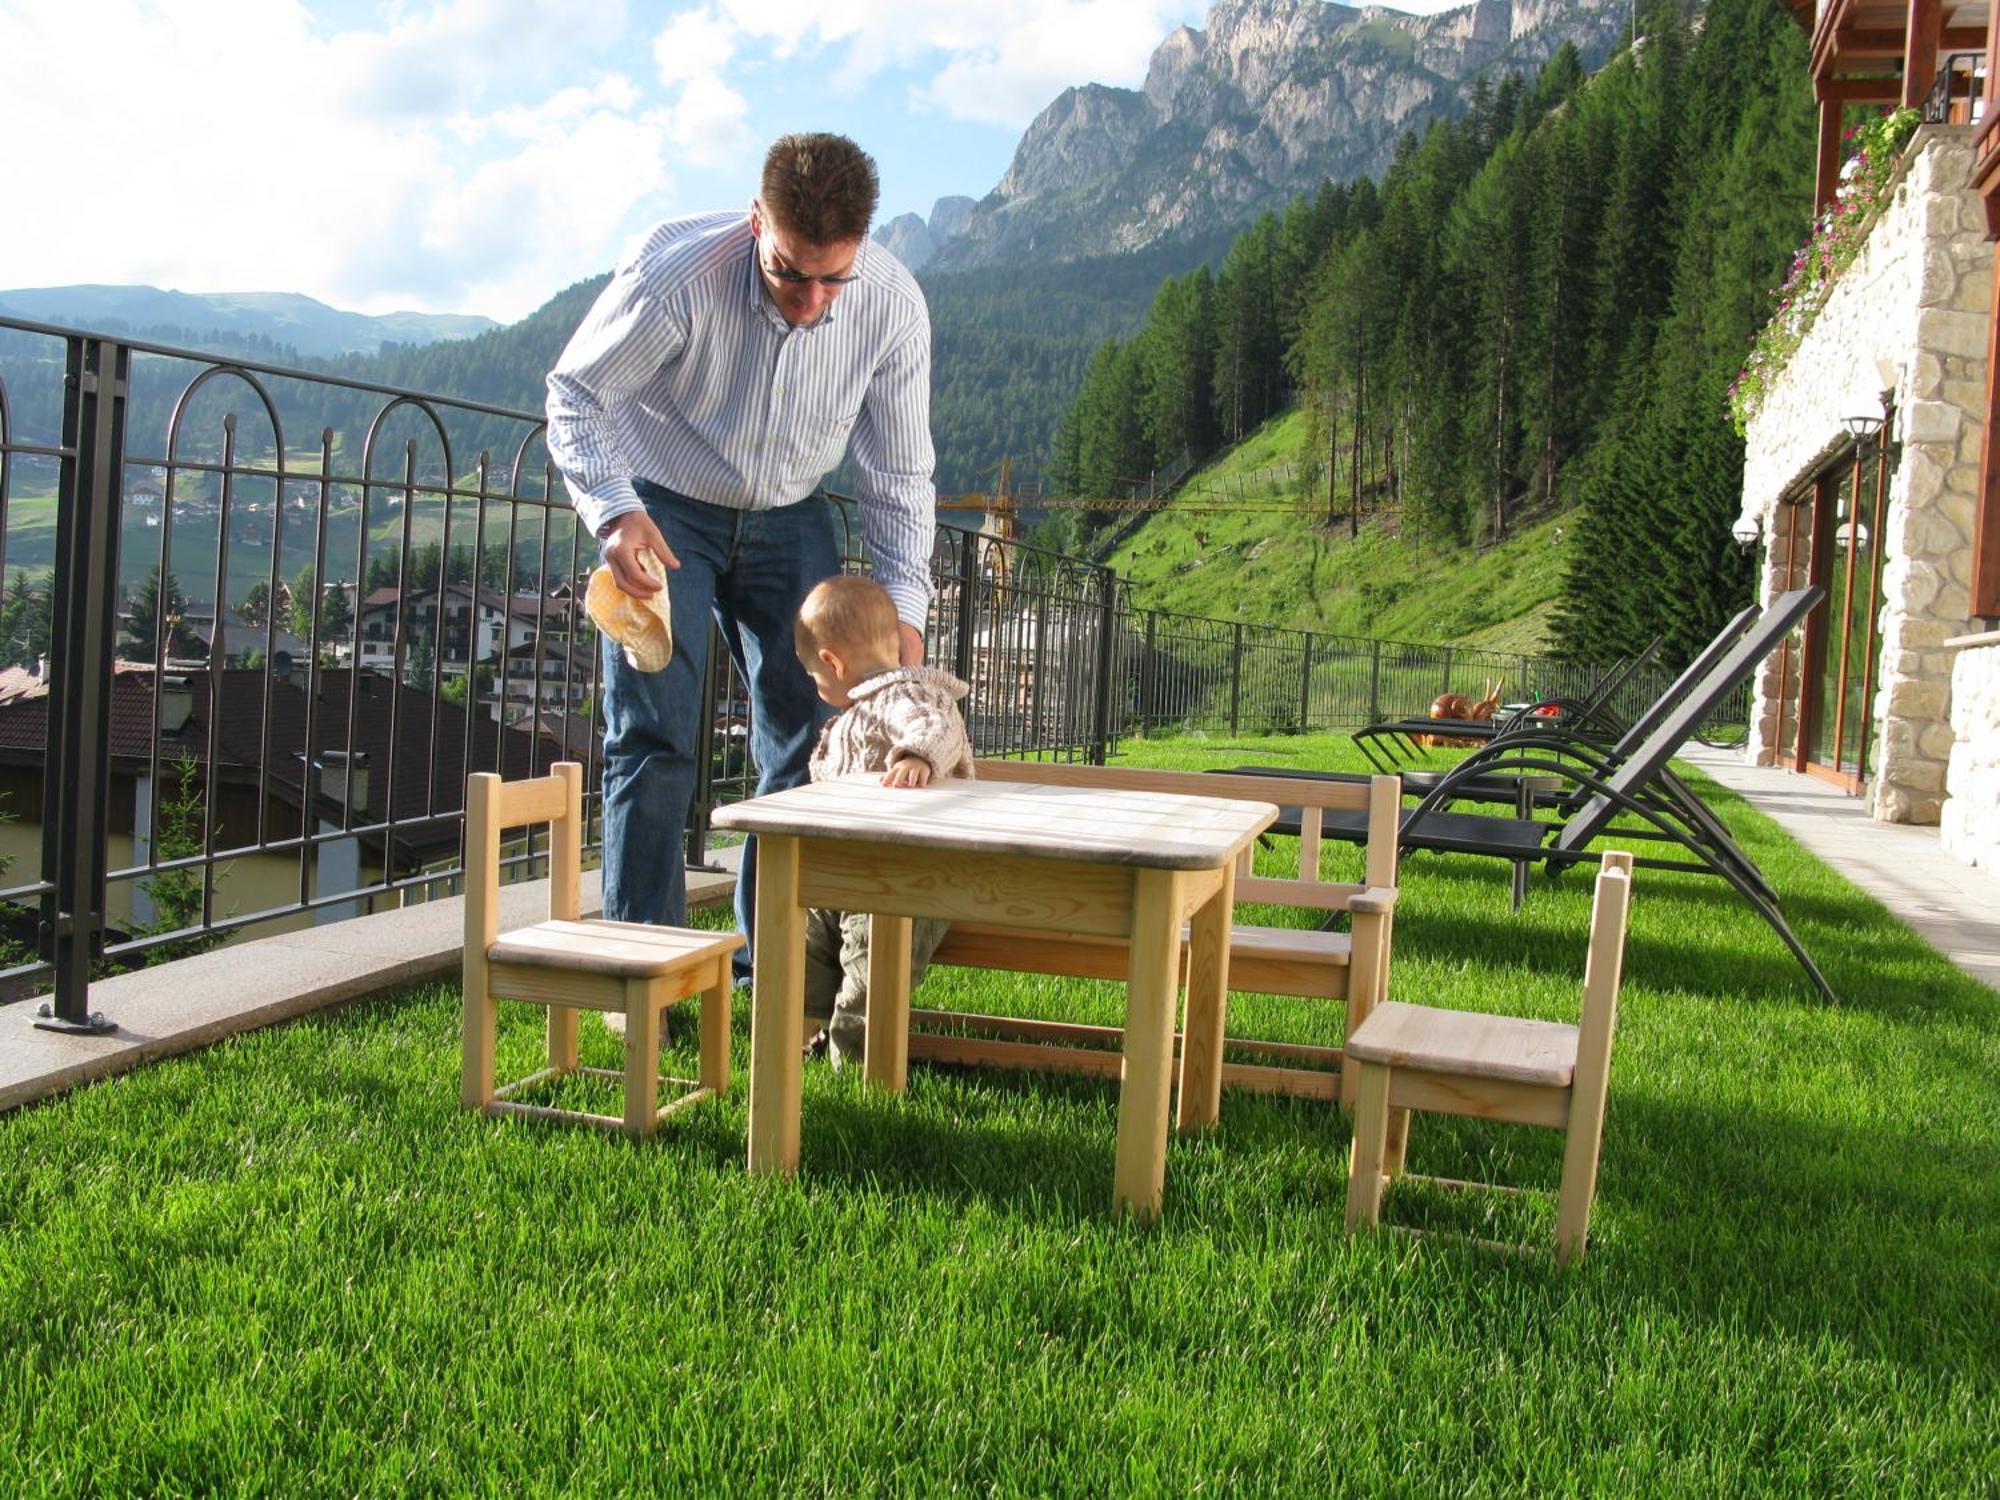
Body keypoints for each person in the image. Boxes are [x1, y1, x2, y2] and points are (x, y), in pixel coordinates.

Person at [545, 132, 937, 986]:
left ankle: (778, 971)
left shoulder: (894, 306)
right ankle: (643, 969)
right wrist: (615, 515)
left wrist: (905, 610)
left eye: (834, 278)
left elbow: (898, 473)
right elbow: (574, 394)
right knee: (653, 732)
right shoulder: (676, 275)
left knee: (809, 733)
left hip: (791, 510)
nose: (810, 300)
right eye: (791, 272)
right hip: (667, 507)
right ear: (757, 220)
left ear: (862, 248)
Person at [793, 575, 974, 1067]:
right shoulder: (856, 715)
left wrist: (916, 757)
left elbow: (937, 726)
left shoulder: (908, 694)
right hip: (855, 869)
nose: (818, 685)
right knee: (806, 936)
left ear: (831, 661)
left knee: (872, 962)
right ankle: (810, 1028)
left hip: (912, 877)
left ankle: (855, 1061)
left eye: (814, 676)